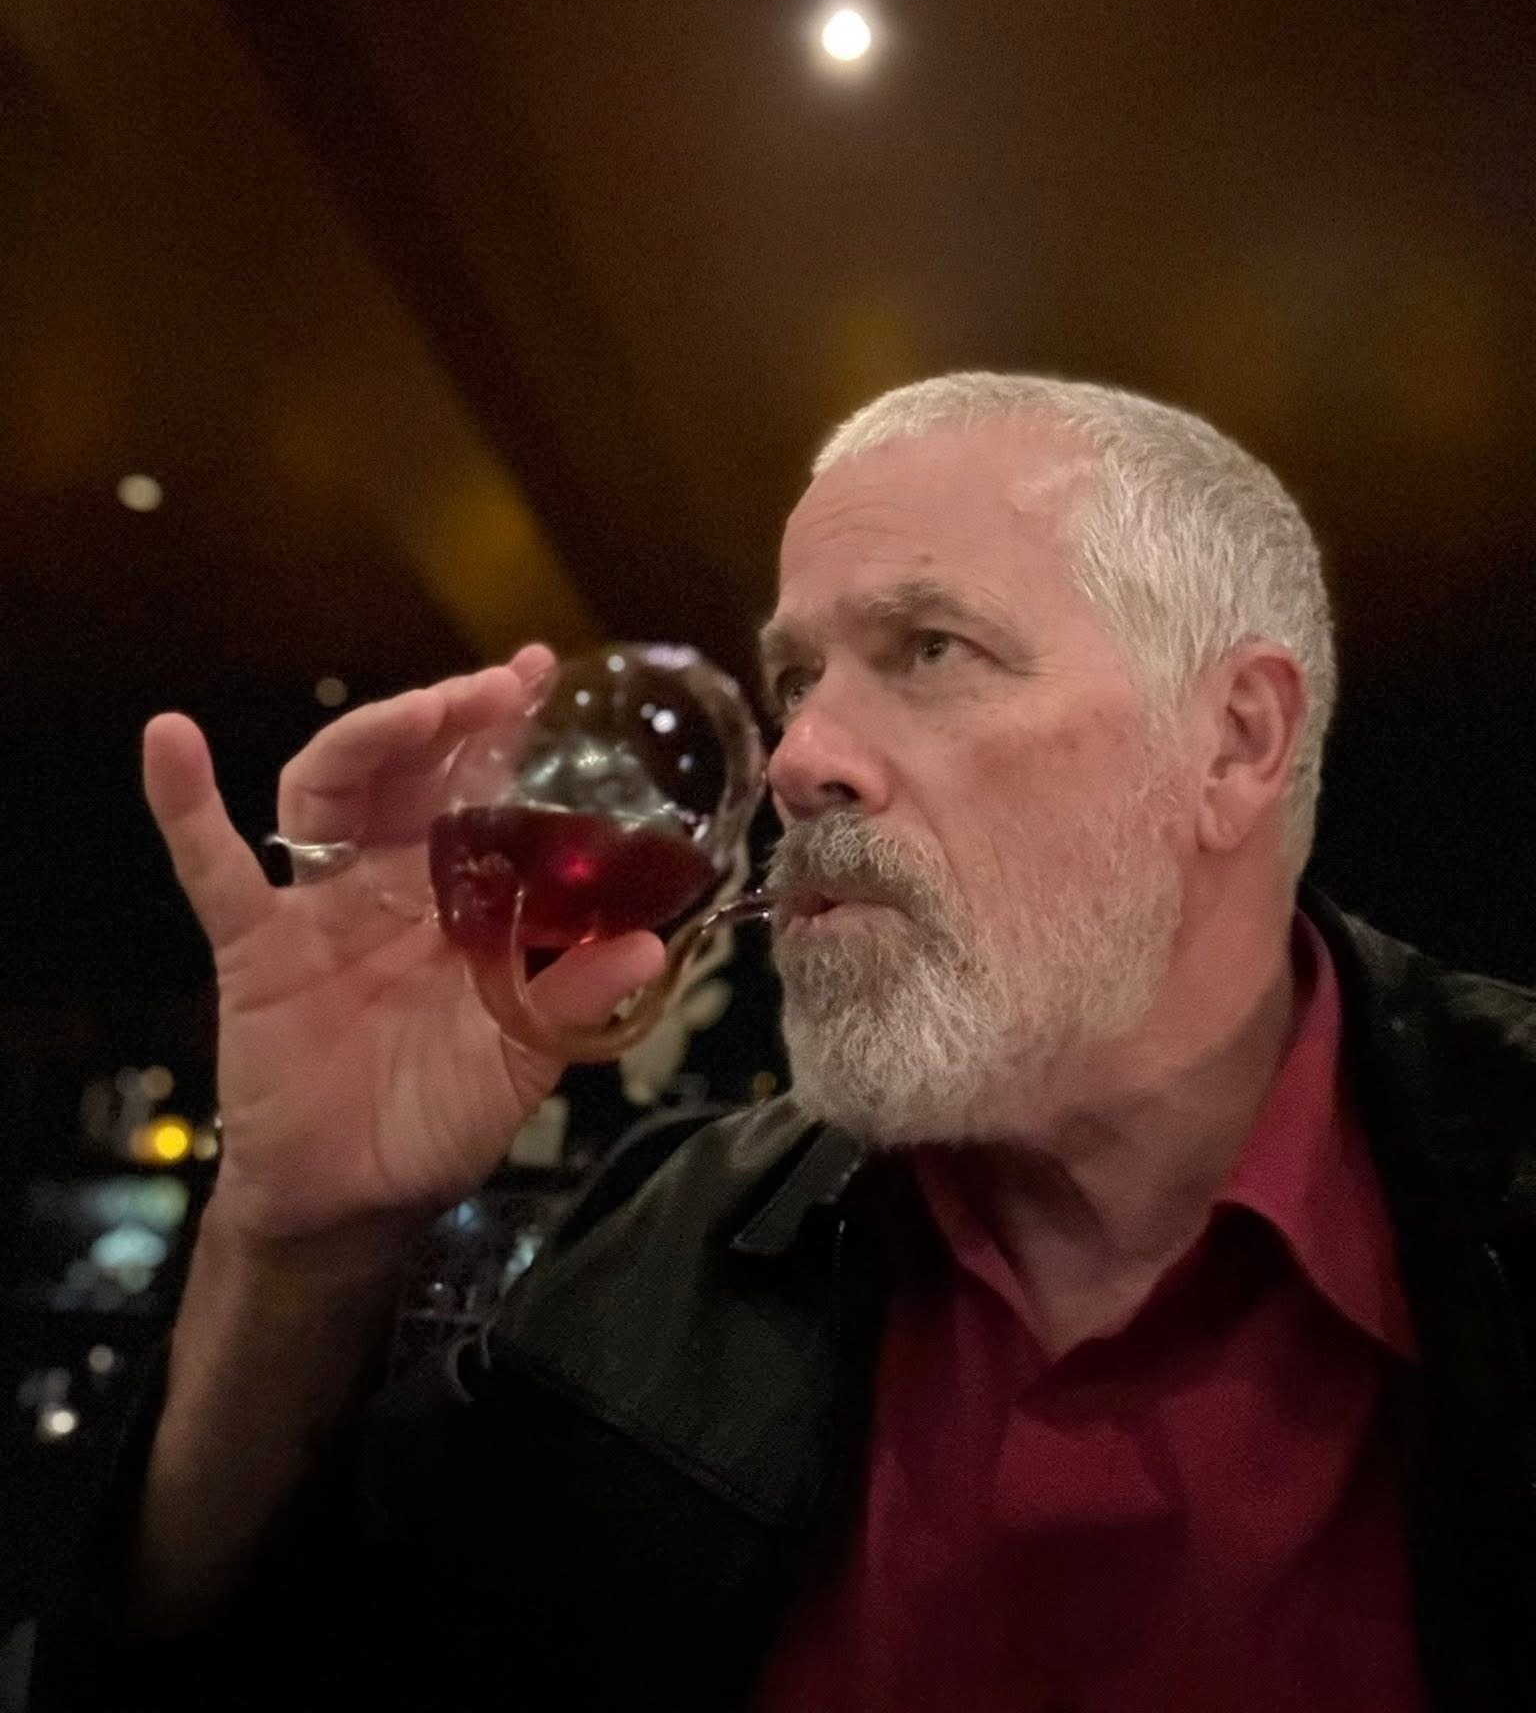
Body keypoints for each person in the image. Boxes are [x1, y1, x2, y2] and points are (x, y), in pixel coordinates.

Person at [34, 373, 1536, 1711]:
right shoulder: (662, 1242)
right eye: (798, 681)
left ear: (1236, 741)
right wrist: (297, 1246)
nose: (801, 757)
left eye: (931, 648)